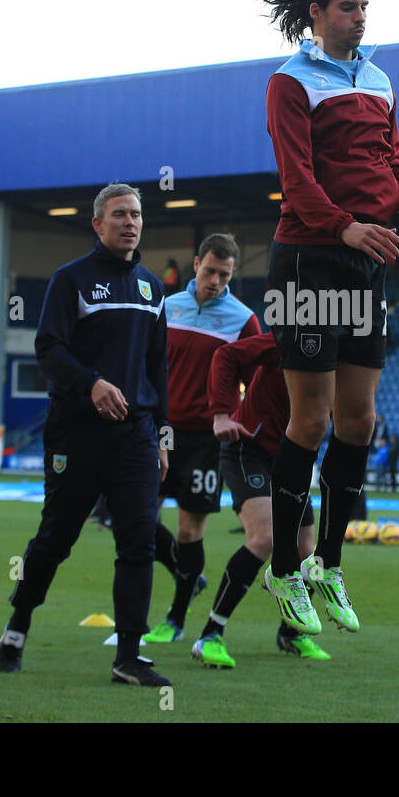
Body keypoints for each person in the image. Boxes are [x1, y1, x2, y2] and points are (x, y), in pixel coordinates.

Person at [260, 0, 399, 635]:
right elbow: (297, 182)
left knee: (360, 423)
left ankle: (328, 561)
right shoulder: (289, 83)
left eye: (365, 5)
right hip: (308, 261)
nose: (361, 16)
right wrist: (348, 225)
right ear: (316, 14)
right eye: (349, 6)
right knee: (313, 421)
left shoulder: (380, 80)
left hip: (364, 263)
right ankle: (284, 570)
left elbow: (390, 169)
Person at [0, 183, 171, 687]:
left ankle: (129, 658)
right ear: (98, 224)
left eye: (136, 214)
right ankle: (19, 623)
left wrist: (163, 433)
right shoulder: (69, 280)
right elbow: (48, 349)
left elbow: (158, 367)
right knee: (56, 539)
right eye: (119, 214)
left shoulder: (152, 289)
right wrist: (91, 383)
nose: (130, 222)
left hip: (136, 433)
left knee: (138, 542)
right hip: (77, 433)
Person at [189, 331, 331, 667]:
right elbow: (225, 356)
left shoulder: (344, 355)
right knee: (264, 537)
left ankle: (291, 633)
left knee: (305, 550)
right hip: (248, 449)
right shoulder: (293, 337)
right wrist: (222, 413)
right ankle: (210, 634)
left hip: (291, 458)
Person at [145, 234, 262, 644]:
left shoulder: (243, 319)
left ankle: (175, 619)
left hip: (205, 440)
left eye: (224, 274)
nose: (215, 280)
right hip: (159, 431)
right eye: (210, 271)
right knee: (139, 519)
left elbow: (255, 382)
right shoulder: (165, 306)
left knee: (189, 530)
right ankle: (186, 575)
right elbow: (147, 363)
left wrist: (233, 417)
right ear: (196, 264)